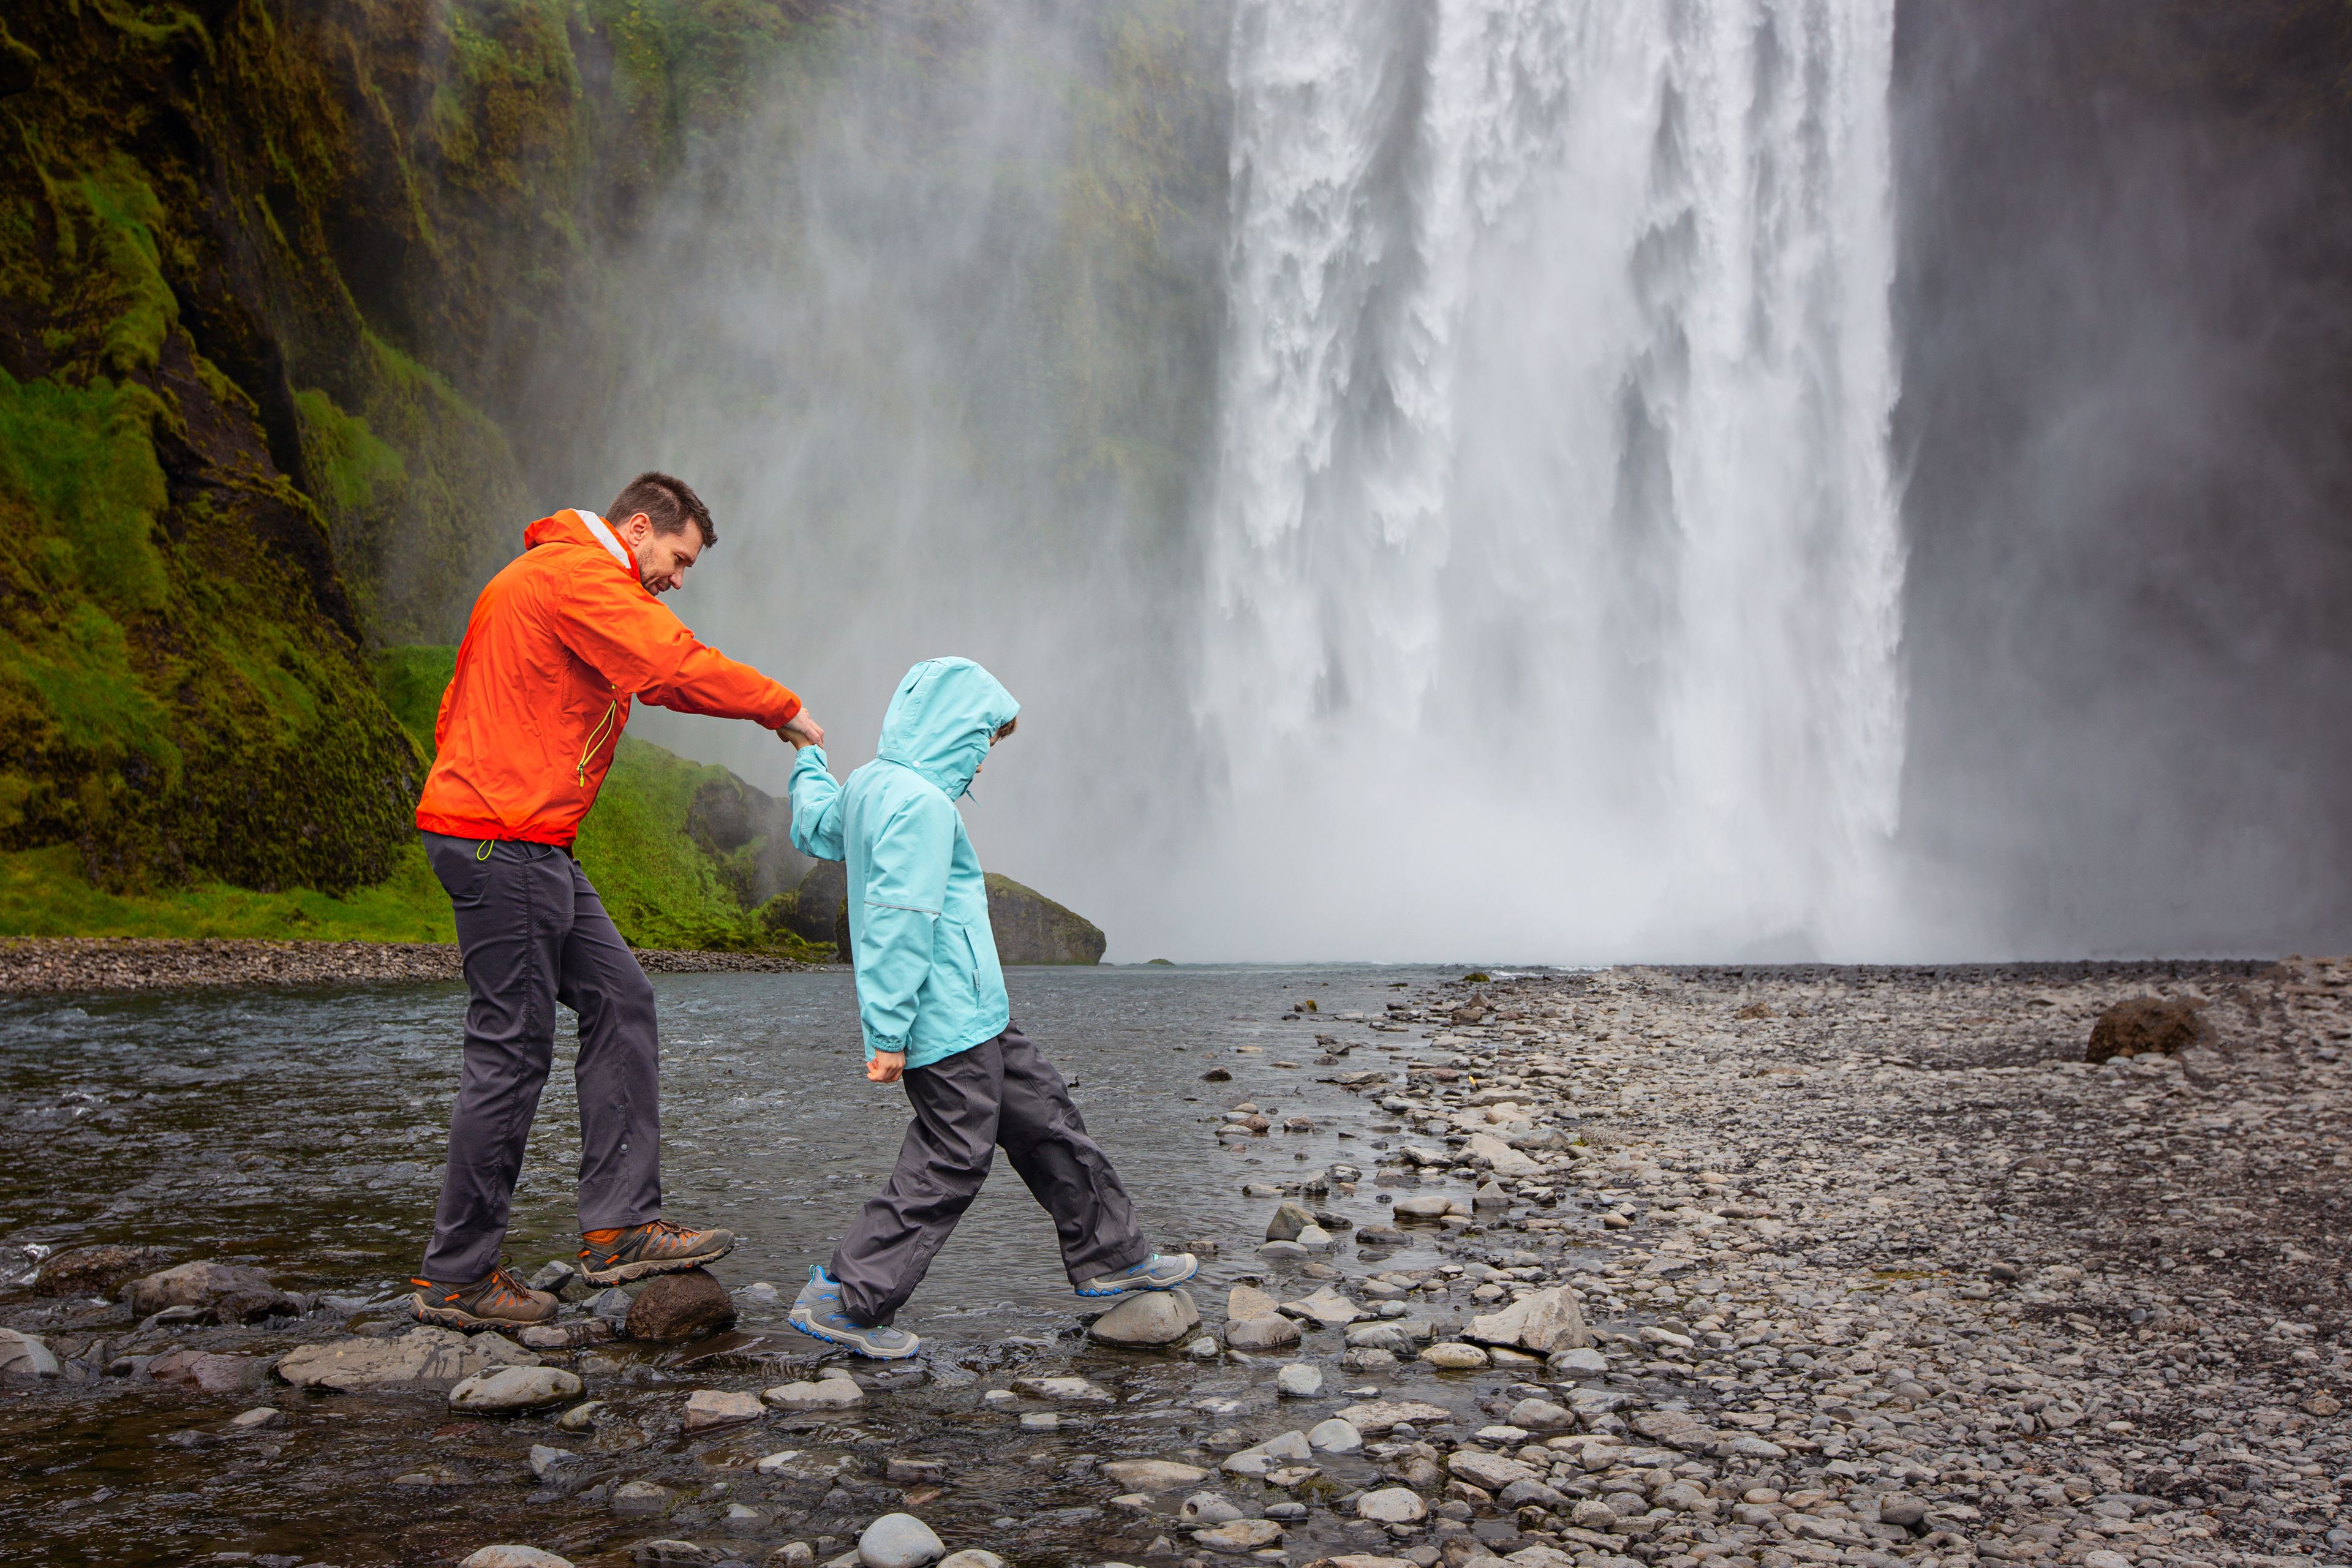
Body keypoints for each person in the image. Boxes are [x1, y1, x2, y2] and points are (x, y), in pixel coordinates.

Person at [406, 472, 823, 1331]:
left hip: (524, 837)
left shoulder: (542, 578)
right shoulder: (577, 576)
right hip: (504, 837)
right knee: (513, 1050)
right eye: (678, 558)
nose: (678, 578)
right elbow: (669, 666)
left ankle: (620, 1229)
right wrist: (781, 709)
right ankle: (457, 1279)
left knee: (621, 996)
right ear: (638, 529)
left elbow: (456, 708)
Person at [780, 657, 1193, 1357]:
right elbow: (897, 919)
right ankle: (846, 1299)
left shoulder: (871, 786)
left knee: (1049, 1120)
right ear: (952, 729)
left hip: (982, 1015)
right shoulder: (922, 805)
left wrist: (809, 758)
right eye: (984, 741)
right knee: (953, 1157)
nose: (984, 761)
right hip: (943, 1029)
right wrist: (887, 1032)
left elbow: (815, 826)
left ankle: (1113, 1255)